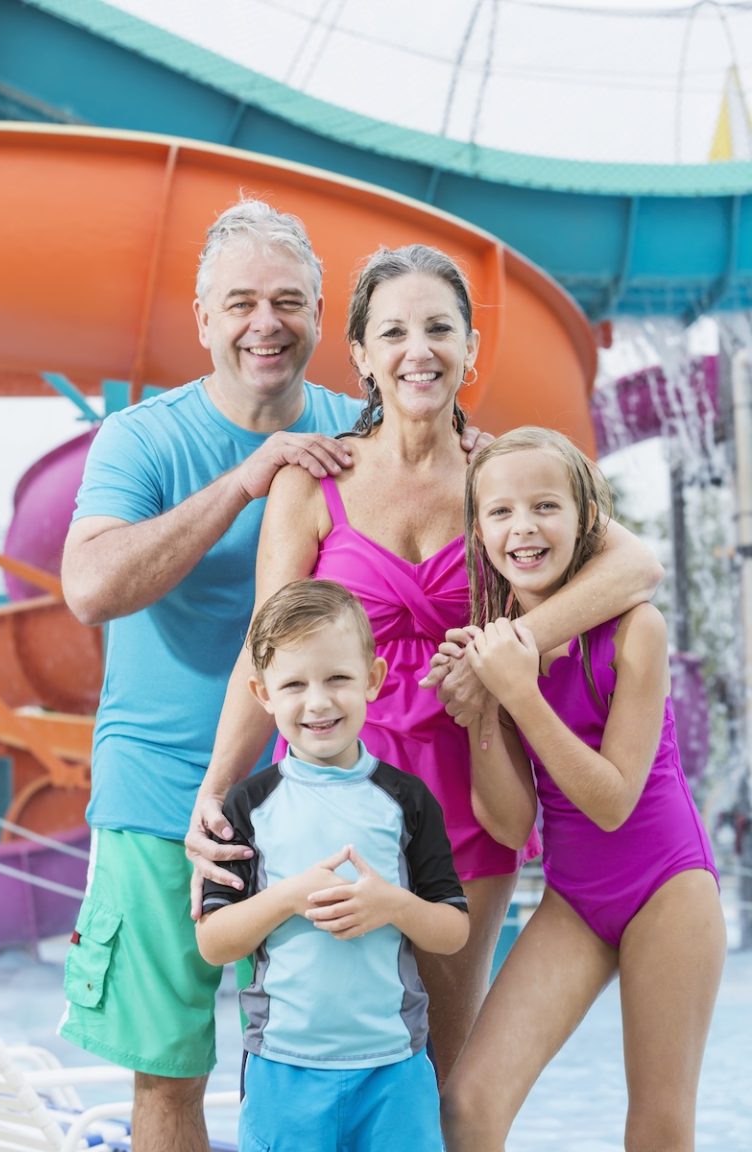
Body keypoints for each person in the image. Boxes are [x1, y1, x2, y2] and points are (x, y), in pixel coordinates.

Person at [189, 243, 663, 1085]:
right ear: (362, 356)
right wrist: (216, 795)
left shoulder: (503, 472)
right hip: (328, 792)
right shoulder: (314, 481)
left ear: (471, 349)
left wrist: (503, 655)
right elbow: (264, 648)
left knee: (447, 1067)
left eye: (441, 328)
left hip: (468, 789)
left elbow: (636, 567)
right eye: (395, 331)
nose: (421, 350)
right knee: (322, 1049)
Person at [58, 198, 398, 1152]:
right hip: (161, 795)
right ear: (202, 319)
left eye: (288, 300)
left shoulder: (363, 433)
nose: (266, 323)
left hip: (321, 798)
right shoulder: (143, 440)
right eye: (240, 301)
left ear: (324, 317)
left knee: (332, 1070)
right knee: (170, 1078)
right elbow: (89, 588)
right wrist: (248, 480)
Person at [440, 427, 726, 1152]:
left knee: (657, 1129)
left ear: (585, 520)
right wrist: (480, 715)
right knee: (467, 1107)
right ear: (478, 530)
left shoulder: (636, 630)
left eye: (545, 507)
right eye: (500, 512)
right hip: (576, 898)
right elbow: (512, 827)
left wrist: (518, 691)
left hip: (668, 890)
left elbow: (612, 800)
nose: (523, 528)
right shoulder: (495, 639)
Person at [197, 578, 469, 1152]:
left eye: (338, 679)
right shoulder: (248, 805)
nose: (317, 702)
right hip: (282, 1069)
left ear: (373, 679)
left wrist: (393, 905)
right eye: (293, 684)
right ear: (262, 693)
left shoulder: (408, 801)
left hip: (394, 1068)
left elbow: (452, 931)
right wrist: (289, 896)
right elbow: (215, 943)